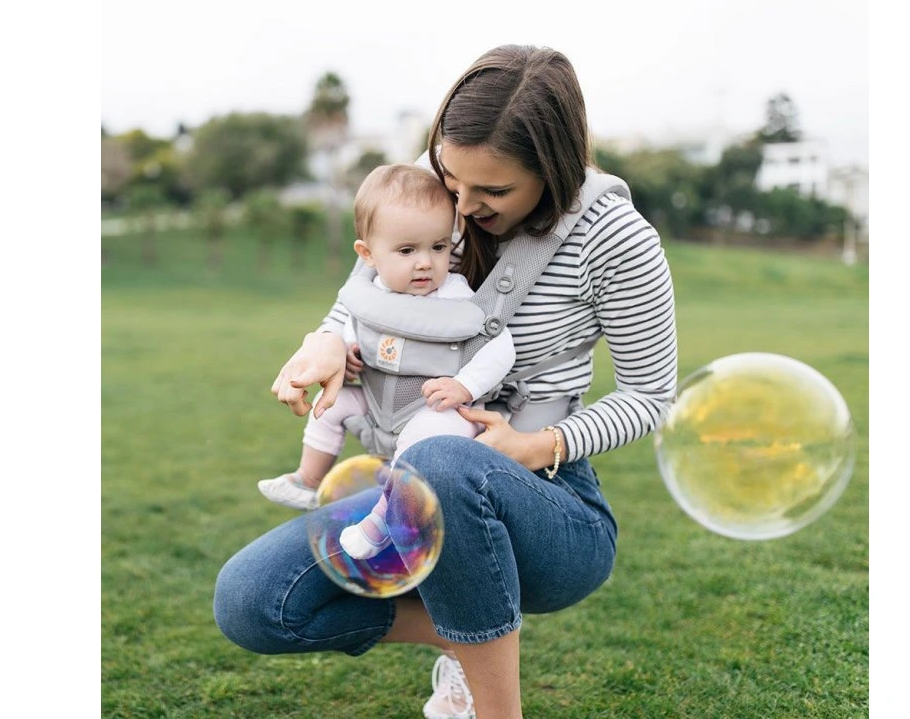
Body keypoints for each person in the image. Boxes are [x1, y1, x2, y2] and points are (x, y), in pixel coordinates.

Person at [214, 44, 678, 719]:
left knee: (443, 460)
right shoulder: (432, 189)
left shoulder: (617, 239)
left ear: (553, 169)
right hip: (407, 483)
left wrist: (536, 445)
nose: (461, 206)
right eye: (451, 178)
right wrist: (325, 342)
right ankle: (473, 632)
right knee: (253, 602)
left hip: (551, 505)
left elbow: (649, 395)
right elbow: (363, 298)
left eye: (492, 192)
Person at [257, 163, 516, 559]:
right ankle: (308, 479)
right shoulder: (370, 295)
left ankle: (381, 521)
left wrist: (465, 386)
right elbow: (352, 328)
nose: (425, 262)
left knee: (425, 441)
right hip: (377, 400)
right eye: (407, 251)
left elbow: (500, 347)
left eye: (439, 247)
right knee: (330, 404)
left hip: (434, 406)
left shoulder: (455, 296)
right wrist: (346, 351)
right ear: (368, 255)